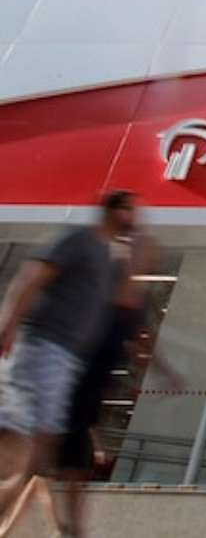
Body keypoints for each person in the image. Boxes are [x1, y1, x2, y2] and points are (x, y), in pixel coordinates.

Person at [0, 233, 183, 538]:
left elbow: (143, 341)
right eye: (140, 254)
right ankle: (64, 530)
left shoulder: (134, 305)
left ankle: (63, 531)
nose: (146, 261)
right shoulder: (94, 293)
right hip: (60, 391)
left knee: (55, 474)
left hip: (83, 399)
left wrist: (162, 372)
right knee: (39, 472)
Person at [0, 190, 133, 520]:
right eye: (130, 210)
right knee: (24, 440)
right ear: (112, 210)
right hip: (41, 345)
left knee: (39, 448)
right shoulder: (79, 239)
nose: (135, 218)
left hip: (64, 359)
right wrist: (8, 325)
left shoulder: (107, 259)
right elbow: (32, 278)